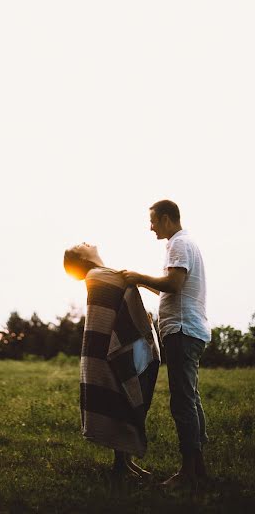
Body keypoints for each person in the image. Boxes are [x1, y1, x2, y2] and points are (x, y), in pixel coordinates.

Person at [121, 200, 211, 491]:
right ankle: (198, 468)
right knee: (191, 398)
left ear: (166, 218)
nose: (151, 227)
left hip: (182, 331)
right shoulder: (183, 244)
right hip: (188, 330)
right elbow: (169, 285)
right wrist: (141, 284)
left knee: (182, 401)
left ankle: (188, 472)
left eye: (153, 221)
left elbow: (174, 284)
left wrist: (138, 276)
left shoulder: (178, 244)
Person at [64, 243, 160, 479]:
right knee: (124, 397)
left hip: (120, 345)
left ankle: (123, 463)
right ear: (83, 258)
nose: (86, 242)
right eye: (80, 245)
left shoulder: (103, 275)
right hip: (116, 347)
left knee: (124, 398)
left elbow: (124, 304)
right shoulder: (98, 276)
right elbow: (149, 288)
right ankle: (122, 465)